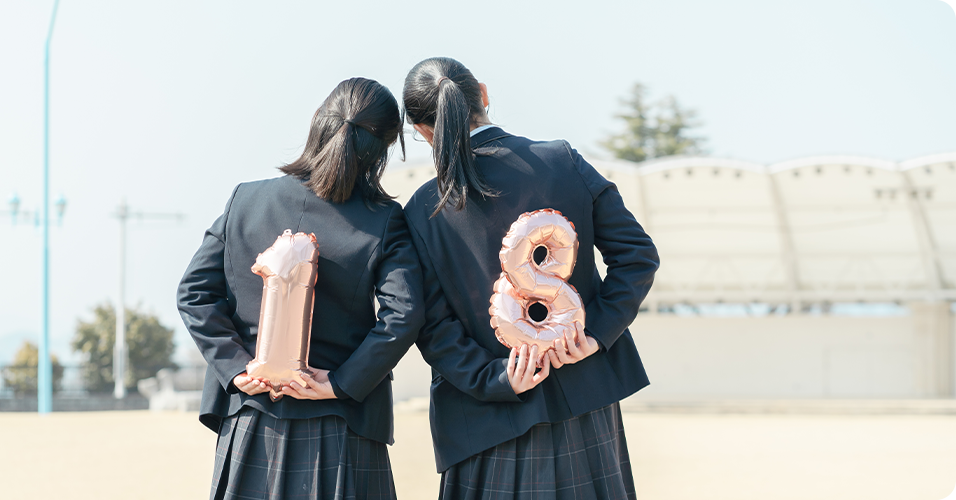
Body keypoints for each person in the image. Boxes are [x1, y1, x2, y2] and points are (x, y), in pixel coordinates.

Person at [401, 57, 660, 499]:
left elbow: (430, 325)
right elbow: (637, 256)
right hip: (584, 403)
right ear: (482, 94)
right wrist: (594, 334)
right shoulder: (562, 160)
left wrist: (496, 377)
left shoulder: (423, 209)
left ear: (423, 130)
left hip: (486, 421)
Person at [177, 77, 427, 500]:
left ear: (318, 121)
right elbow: (404, 314)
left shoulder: (245, 200)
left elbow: (193, 293)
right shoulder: (384, 219)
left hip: (252, 418)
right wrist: (343, 382)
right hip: (341, 422)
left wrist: (237, 368)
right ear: (383, 149)